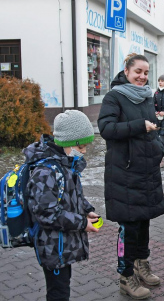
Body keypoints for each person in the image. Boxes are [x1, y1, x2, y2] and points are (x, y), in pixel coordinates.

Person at [98, 53, 164, 300]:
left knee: (144, 220)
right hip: (125, 173)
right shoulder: (114, 96)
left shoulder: (147, 96)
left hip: (147, 170)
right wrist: (140, 126)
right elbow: (105, 129)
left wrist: (158, 148)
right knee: (129, 226)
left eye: (146, 73)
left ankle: (141, 264)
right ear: (126, 71)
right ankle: (126, 276)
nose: (142, 77)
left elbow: (151, 129)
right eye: (138, 71)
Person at [26, 110, 99, 301]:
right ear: (68, 143)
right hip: (52, 246)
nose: (83, 151)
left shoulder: (65, 165)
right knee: (58, 293)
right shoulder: (46, 172)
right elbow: (47, 213)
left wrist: (87, 210)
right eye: (81, 146)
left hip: (61, 244)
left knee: (62, 287)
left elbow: (72, 195)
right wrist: (82, 223)